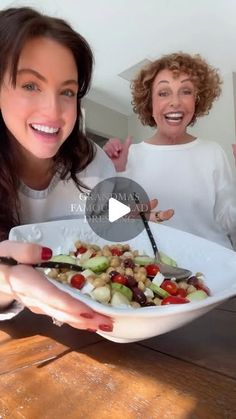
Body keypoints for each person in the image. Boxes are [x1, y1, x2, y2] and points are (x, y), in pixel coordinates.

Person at [0, 7, 172, 330]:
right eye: (30, 86)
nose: (53, 111)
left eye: (67, 91)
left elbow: (102, 214)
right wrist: (7, 280)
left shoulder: (90, 159)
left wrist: (127, 217)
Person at [104, 52, 236, 249]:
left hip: (213, 267)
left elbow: (229, 222)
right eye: (164, 93)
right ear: (150, 102)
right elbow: (113, 224)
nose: (175, 102)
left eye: (186, 91)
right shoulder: (129, 156)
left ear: (197, 100)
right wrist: (116, 172)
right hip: (150, 273)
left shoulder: (213, 152)